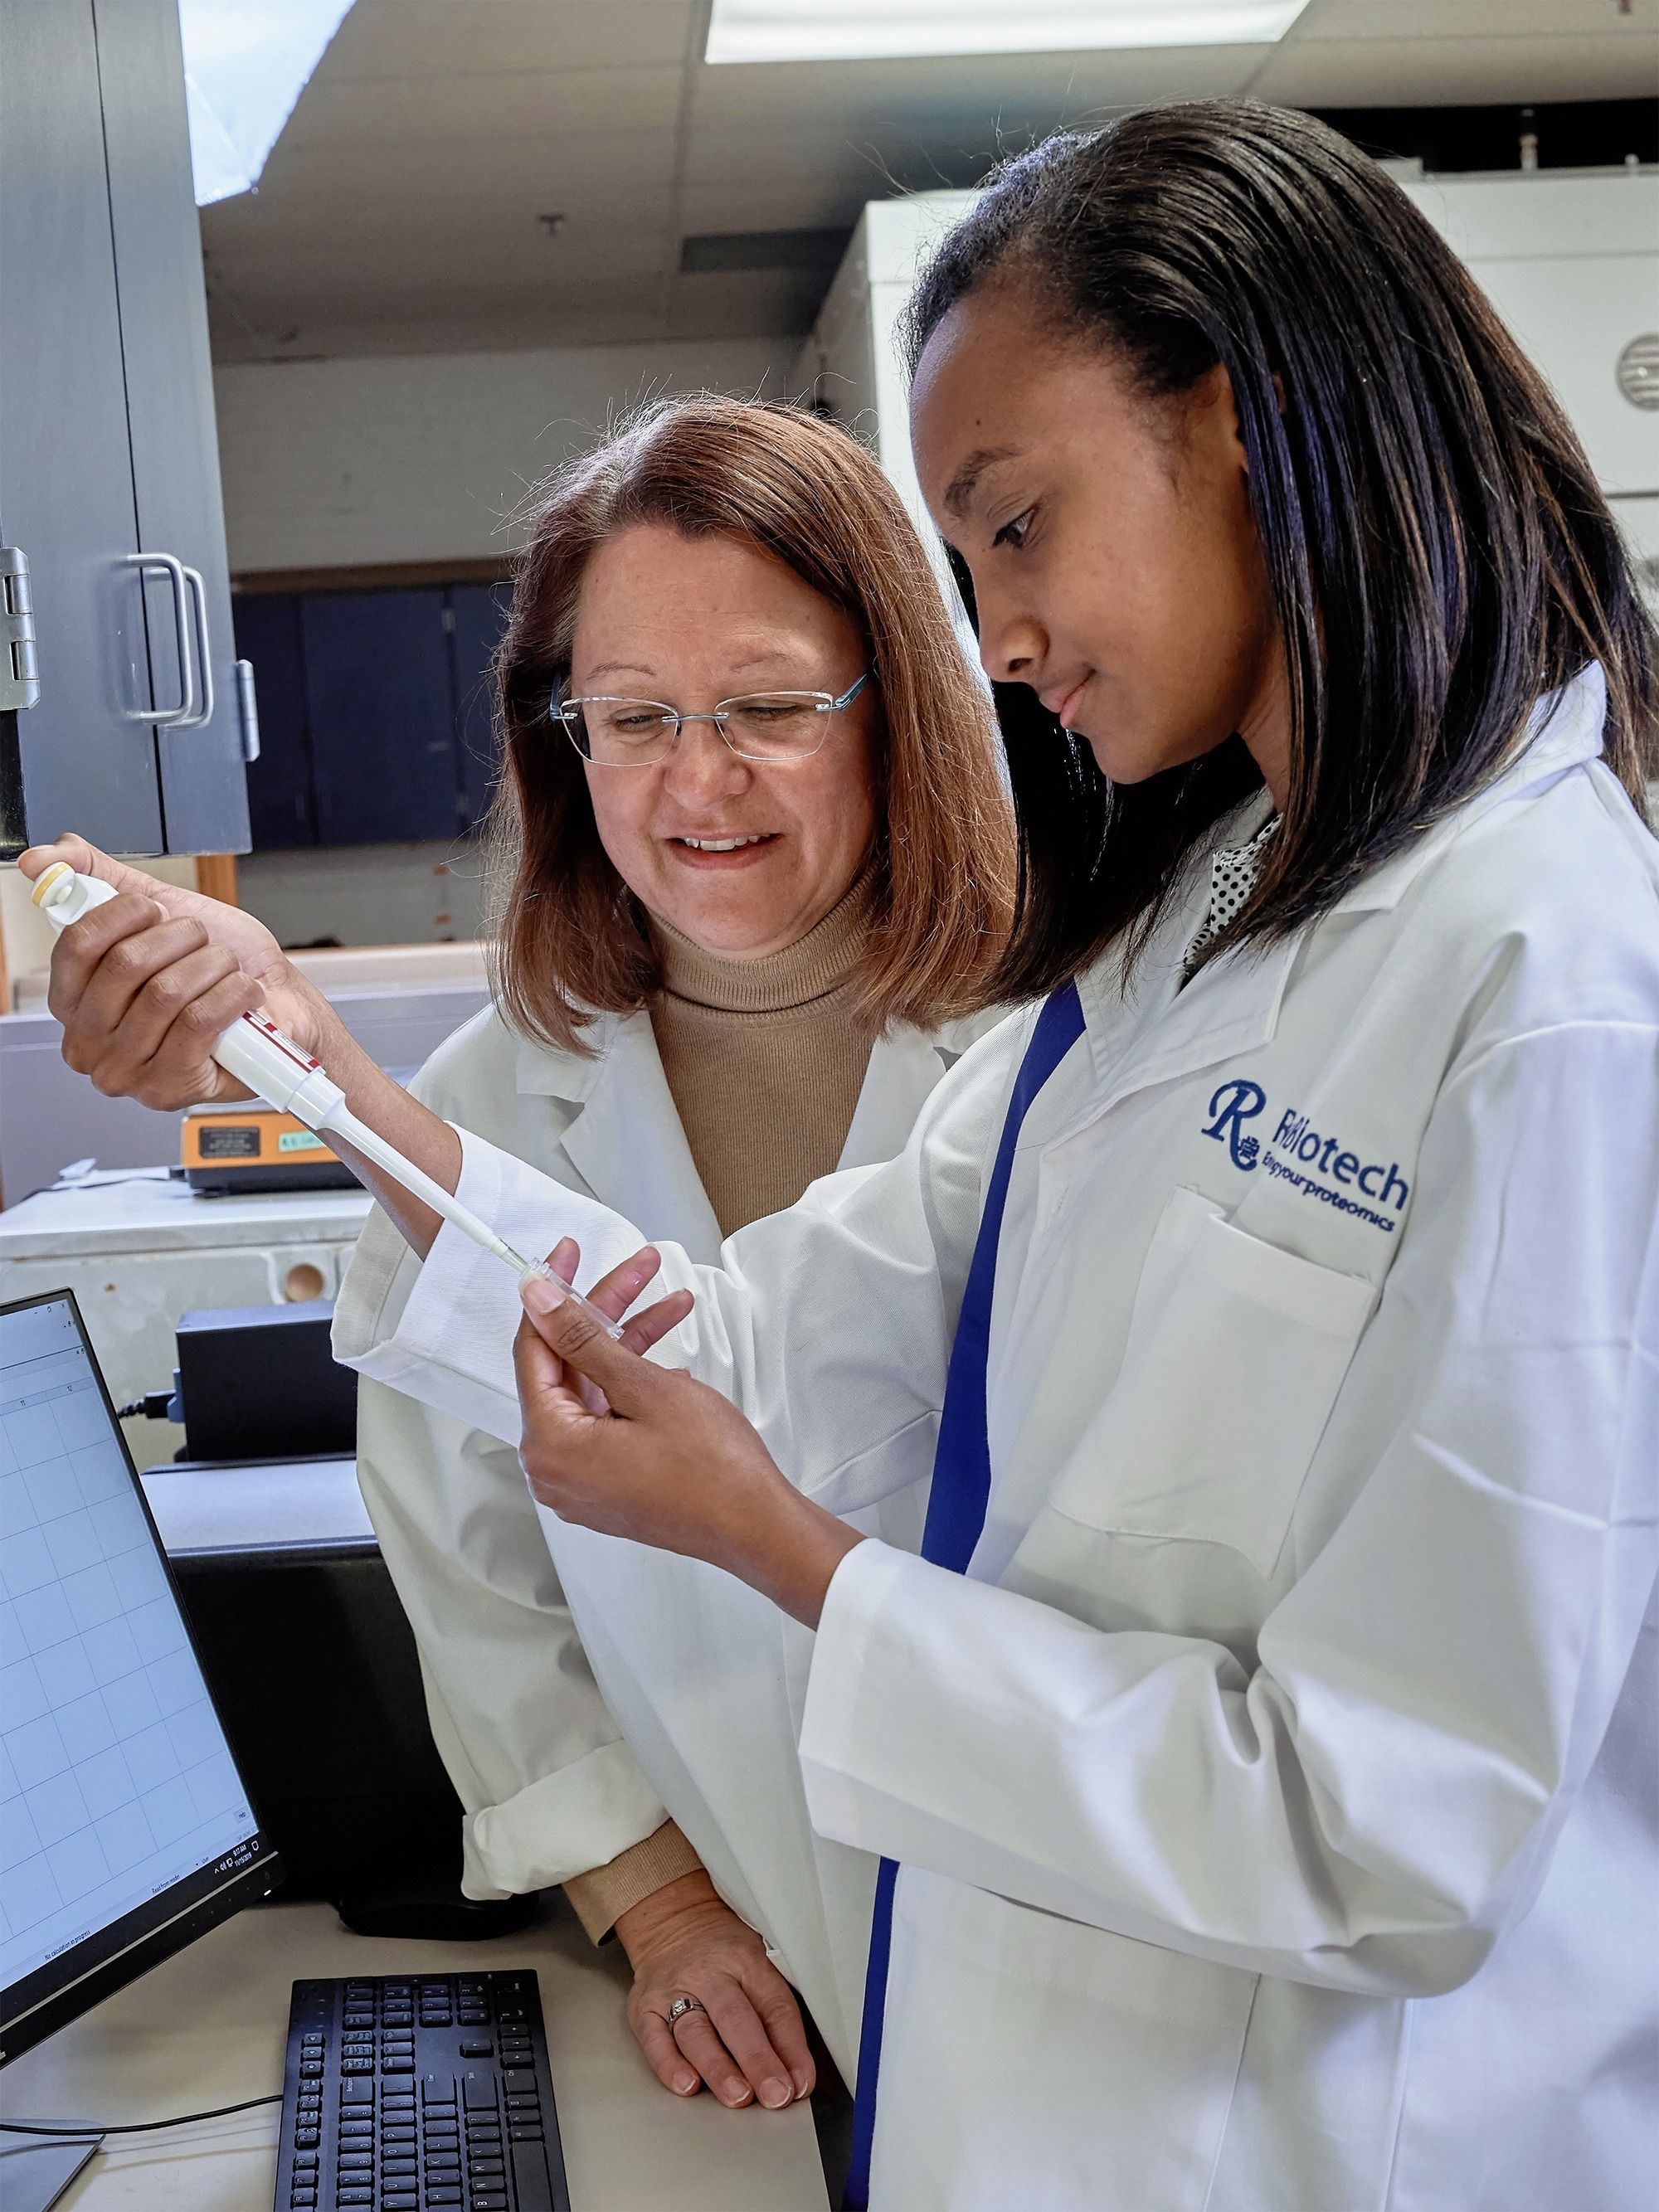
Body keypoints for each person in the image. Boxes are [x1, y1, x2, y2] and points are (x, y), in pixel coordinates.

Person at [239, 104, 1656, 2208]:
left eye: (1013, 524)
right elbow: (742, 1325)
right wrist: (307, 1067)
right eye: (623, 717)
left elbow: (1386, 1832)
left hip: (1324, 2144)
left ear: (1247, 426)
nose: (998, 635)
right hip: (1029, 2083)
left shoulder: (1551, 988)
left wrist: (792, 1559)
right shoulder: (1195, 932)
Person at [18, 395, 1014, 2130]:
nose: (697, 780)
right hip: (760, 1968)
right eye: (631, 716)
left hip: (1071, 1933)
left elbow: (749, 1365)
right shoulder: (497, 1094)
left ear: (902, 705)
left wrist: (340, 1080)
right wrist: (660, 1897)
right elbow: (479, 1574)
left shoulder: (1051, 1043)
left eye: (769, 706)